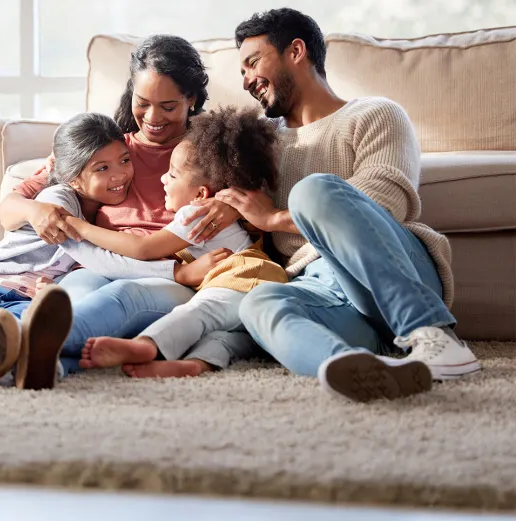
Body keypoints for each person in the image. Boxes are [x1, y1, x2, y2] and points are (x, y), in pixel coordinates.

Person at [191, 8, 481, 402]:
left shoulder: (375, 113)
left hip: (392, 273)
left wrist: (275, 217)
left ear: (296, 50)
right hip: (320, 289)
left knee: (314, 191)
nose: (246, 81)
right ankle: (358, 369)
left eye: (252, 63)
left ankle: (433, 334)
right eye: (241, 72)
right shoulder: (260, 141)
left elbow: (383, 203)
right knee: (259, 303)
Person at [0, 113, 221, 389]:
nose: (120, 175)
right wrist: (175, 273)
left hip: (26, 299)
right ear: (72, 177)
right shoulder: (58, 205)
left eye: (124, 160)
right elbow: (102, 259)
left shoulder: (93, 207)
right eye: (102, 169)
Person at [0, 35, 258, 377]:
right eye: (143, 102)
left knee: (123, 297)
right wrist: (36, 211)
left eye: (168, 106)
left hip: (169, 277)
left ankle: (15, 347)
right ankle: (44, 364)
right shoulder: (105, 148)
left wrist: (233, 206)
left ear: (191, 99)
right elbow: (9, 208)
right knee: (74, 296)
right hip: (100, 263)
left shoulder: (208, 152)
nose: (153, 118)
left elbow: (260, 204)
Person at [69, 107, 288, 378]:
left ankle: (145, 346)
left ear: (200, 193)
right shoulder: (215, 207)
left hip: (244, 275)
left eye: (172, 175)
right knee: (226, 334)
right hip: (256, 282)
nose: (163, 178)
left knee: (199, 311)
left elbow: (143, 249)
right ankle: (195, 364)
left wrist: (82, 228)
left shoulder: (195, 213)